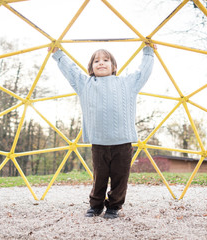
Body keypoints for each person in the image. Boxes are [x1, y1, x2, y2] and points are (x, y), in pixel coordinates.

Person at [49, 43, 156, 219]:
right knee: (99, 178)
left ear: (114, 66)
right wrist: (58, 54)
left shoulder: (126, 83)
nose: (101, 63)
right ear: (90, 67)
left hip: (123, 142)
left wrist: (148, 52)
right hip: (99, 143)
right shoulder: (85, 84)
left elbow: (143, 72)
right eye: (96, 60)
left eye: (106, 60)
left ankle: (114, 206)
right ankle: (96, 205)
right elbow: (71, 71)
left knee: (120, 178)